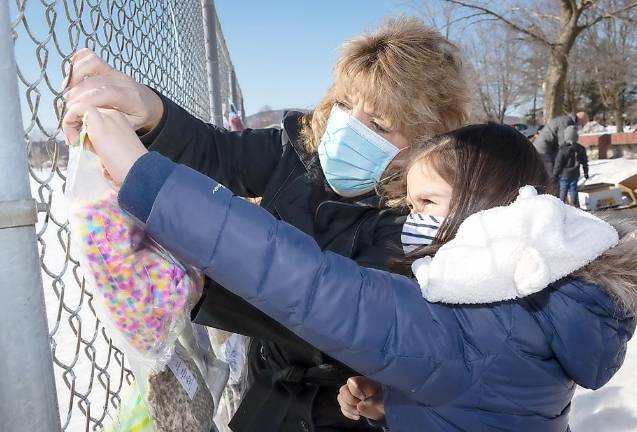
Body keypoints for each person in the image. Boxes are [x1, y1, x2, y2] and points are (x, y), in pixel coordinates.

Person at [74, 114, 636, 431]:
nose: (411, 222)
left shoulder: (468, 325)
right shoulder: (540, 297)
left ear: (486, 207)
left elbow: (303, 280)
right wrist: (402, 403)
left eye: (427, 205)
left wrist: (146, 175)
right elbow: (495, 402)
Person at [62, 16, 470, 432]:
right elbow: (215, 151)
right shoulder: (299, 150)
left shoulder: (422, 220)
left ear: (427, 141)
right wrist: (150, 113)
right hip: (267, 396)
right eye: (346, 104)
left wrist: (202, 275)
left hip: (347, 410)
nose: (349, 129)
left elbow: (338, 311)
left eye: (379, 124)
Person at [534, 111, 589, 182]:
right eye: (583, 124)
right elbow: (564, 144)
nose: (581, 126)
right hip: (544, 149)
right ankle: (553, 191)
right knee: (552, 175)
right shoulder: (567, 122)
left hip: (544, 147)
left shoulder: (566, 119)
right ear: (581, 120)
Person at [553, 125, 589, 207]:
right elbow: (584, 162)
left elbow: (558, 164)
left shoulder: (562, 149)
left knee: (563, 190)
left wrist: (555, 174)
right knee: (573, 189)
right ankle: (574, 205)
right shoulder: (581, 149)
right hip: (575, 173)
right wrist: (586, 172)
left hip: (564, 174)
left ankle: (561, 205)